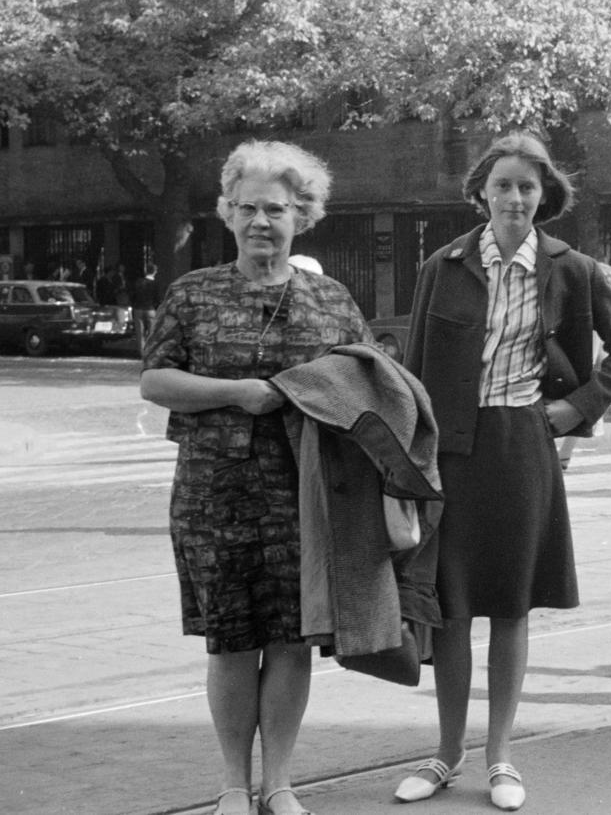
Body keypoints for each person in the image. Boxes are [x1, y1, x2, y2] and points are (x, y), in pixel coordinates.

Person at [397, 133, 611, 811]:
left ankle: (500, 757)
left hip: (522, 446)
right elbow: (415, 371)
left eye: (527, 188)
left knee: (510, 604)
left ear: (544, 197)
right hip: (449, 452)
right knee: (448, 608)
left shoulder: (573, 269)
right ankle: (446, 755)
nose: (514, 198)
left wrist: (576, 407)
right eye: (503, 185)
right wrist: (410, 464)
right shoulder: (441, 267)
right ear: (482, 191)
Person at [139, 140, 374, 815]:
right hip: (217, 496)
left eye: (276, 208)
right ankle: (232, 786)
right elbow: (155, 381)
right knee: (233, 642)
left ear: (302, 214)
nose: (260, 222)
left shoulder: (332, 302)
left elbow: (366, 385)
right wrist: (236, 392)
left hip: (306, 499)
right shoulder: (193, 294)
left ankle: (280, 783)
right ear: (227, 213)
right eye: (247, 208)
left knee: (292, 643)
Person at [556, 261, 611, 473]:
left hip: (603, 369)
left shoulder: (595, 309)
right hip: (610, 368)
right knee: (584, 410)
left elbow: (594, 344)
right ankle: (563, 457)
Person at [132, 262, 162, 354]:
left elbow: (133, 295)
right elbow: (157, 299)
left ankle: (142, 351)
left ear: (146, 271)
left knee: (140, 332)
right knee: (152, 331)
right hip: (150, 309)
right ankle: (151, 350)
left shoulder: (139, 282)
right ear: (155, 272)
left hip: (138, 308)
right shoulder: (155, 284)